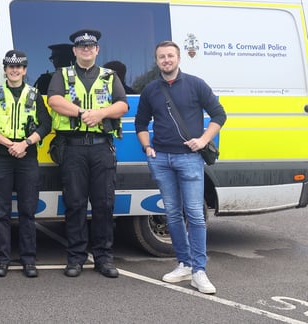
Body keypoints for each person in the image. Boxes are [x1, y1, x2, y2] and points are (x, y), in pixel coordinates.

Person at [134, 40, 226, 294]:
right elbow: (141, 123)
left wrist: (204, 140)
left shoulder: (196, 84)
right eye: (161, 57)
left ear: (178, 58)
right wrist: (148, 148)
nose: (166, 60)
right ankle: (184, 264)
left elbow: (219, 115)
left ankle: (199, 271)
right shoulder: (151, 90)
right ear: (157, 61)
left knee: (195, 215)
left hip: (189, 159)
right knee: (172, 215)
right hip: (161, 160)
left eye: (170, 56)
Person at [47, 29, 128, 279]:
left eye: (90, 46)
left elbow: (122, 105)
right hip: (73, 149)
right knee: (75, 204)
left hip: (102, 147)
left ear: (97, 50)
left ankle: (104, 258)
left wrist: (101, 114)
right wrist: (83, 113)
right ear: (74, 51)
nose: (86, 50)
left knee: (104, 204)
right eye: (81, 47)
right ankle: (76, 258)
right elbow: (54, 100)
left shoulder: (109, 76)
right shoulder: (62, 74)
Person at [0, 50, 51, 278]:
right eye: (10, 66)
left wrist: (25, 144)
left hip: (27, 158)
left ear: (25, 70)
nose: (14, 70)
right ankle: (2, 260)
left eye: (18, 66)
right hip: (1, 158)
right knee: (0, 212)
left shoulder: (34, 94)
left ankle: (29, 260)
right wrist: (11, 144)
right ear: (5, 69)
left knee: (27, 212)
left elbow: (45, 125)